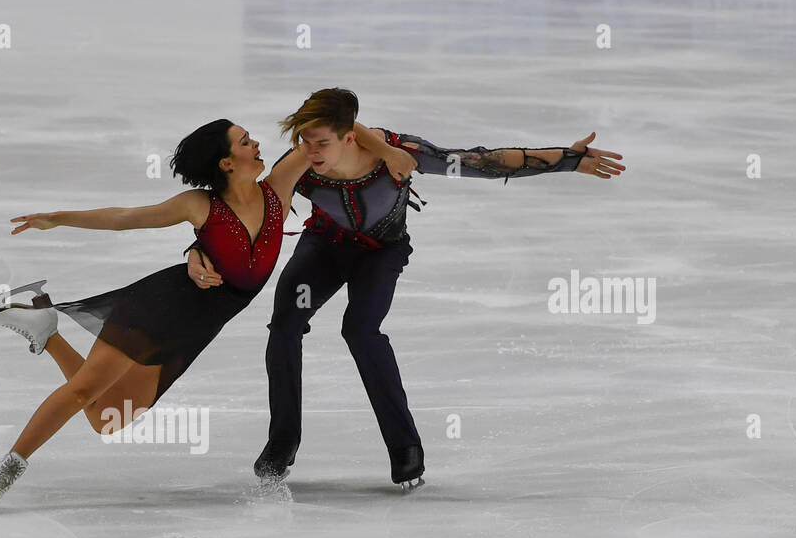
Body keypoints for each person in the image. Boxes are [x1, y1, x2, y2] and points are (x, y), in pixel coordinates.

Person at [0, 117, 418, 513]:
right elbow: (128, 217)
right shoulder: (199, 205)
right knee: (85, 390)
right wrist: (60, 218)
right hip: (161, 307)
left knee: (108, 416)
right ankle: (6, 472)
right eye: (245, 142)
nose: (257, 144)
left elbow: (333, 121)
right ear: (226, 163)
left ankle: (46, 331)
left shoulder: (277, 189)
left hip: (195, 330)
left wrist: (387, 153)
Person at [189, 88, 625, 489]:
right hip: (325, 247)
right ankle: (282, 441)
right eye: (306, 140)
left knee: (361, 330)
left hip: (381, 252)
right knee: (286, 323)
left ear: (348, 138)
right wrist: (198, 251)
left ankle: (404, 447)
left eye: (322, 142)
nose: (311, 151)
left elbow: (482, 162)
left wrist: (568, 158)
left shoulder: (398, 154)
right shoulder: (298, 165)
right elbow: (250, 219)